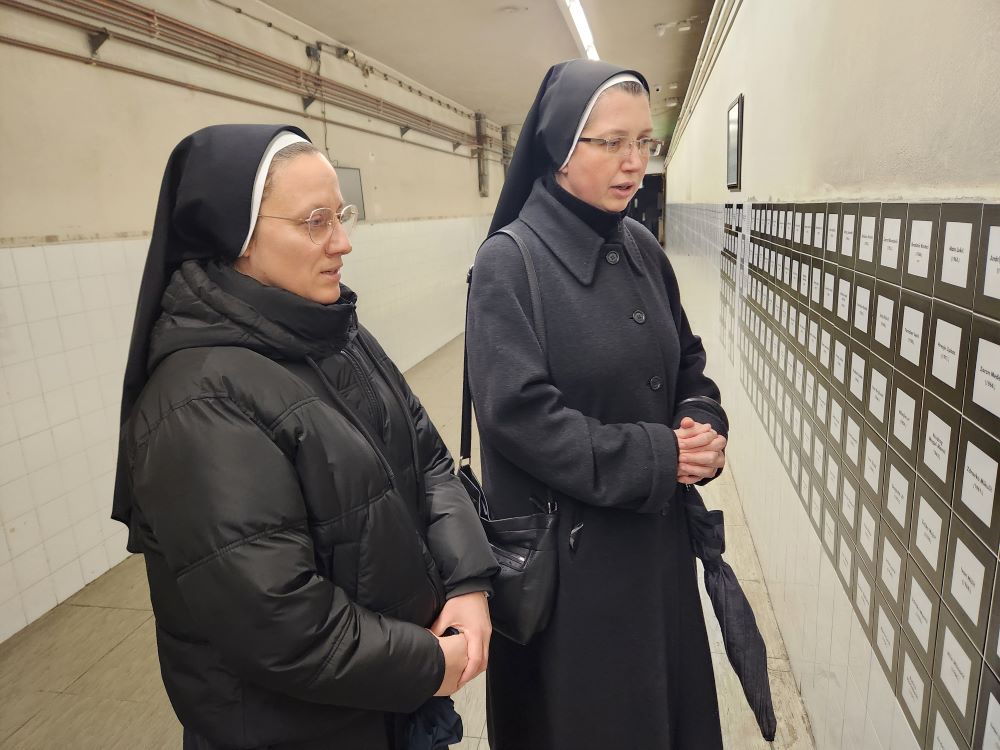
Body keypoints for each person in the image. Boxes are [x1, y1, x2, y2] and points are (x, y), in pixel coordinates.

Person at [111, 124, 498, 750]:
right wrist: (429, 663)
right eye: (315, 221)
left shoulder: (335, 333)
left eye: (340, 216)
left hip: (386, 708)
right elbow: (280, 620)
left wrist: (467, 584)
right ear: (233, 235)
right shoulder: (200, 400)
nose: (342, 243)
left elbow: (426, 459)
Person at [466, 60, 729, 750]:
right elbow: (519, 416)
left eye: (644, 142)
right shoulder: (510, 262)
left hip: (659, 554)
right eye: (610, 142)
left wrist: (702, 427)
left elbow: (688, 361)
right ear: (559, 145)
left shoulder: (641, 245)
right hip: (577, 576)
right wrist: (655, 456)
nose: (634, 162)